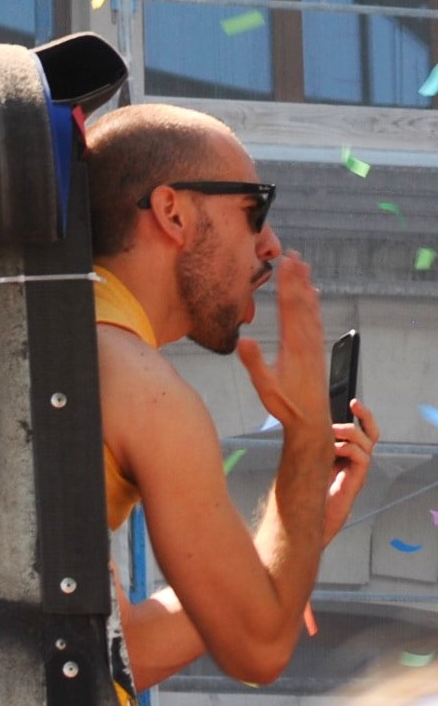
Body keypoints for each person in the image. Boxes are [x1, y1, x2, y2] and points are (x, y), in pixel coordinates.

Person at [89, 102, 379, 690]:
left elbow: (128, 651)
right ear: (172, 212)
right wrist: (304, 433)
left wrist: (304, 526)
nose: (270, 245)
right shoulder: (142, 387)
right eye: (254, 209)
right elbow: (260, 647)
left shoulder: (62, 333)